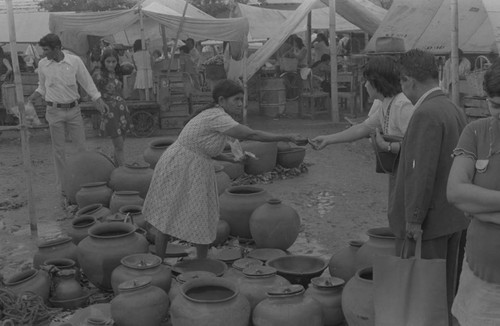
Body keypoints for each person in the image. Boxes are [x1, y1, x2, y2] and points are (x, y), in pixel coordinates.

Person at [143, 79, 305, 260]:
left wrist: (230, 158)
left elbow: (204, 148)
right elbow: (251, 134)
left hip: (192, 163)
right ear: (221, 101)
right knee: (171, 211)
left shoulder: (217, 116)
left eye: (241, 99)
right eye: (236, 99)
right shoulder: (216, 116)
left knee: (201, 214)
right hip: (181, 165)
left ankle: (201, 263)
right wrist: (287, 136)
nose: (240, 103)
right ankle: (160, 261)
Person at [389, 49, 469, 321]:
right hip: (452, 217)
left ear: (409, 80)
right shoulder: (452, 108)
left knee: (425, 295)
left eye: (402, 82)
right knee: (446, 289)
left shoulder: (426, 113)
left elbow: (421, 172)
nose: (402, 89)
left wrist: (413, 219)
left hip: (430, 222)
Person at [311, 56, 414, 204]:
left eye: (367, 81)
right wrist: (328, 139)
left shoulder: (402, 106)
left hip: (411, 175)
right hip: (399, 172)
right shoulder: (386, 103)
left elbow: (418, 145)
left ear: (376, 82)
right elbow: (363, 128)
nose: (365, 85)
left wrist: (387, 146)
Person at [448, 58, 500, 325]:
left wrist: (480, 210)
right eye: (496, 105)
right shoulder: (476, 132)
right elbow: (455, 192)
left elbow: (466, 199)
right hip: (480, 273)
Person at [27, 33, 109, 194]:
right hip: (54, 111)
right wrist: (31, 99)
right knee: (59, 152)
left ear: (57, 48)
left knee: (81, 149)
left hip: (73, 111)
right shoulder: (43, 65)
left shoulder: (74, 62)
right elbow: (42, 88)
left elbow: (87, 82)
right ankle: (64, 187)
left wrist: (98, 100)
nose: (43, 53)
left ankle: (83, 184)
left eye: (46, 49)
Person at [92, 49, 132, 166]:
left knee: (120, 145)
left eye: (113, 61)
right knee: (119, 145)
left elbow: (125, 94)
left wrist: (126, 77)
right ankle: (124, 172)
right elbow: (92, 95)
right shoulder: (98, 75)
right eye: (108, 61)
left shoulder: (118, 74)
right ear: (103, 61)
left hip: (122, 110)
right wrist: (101, 110)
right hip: (110, 113)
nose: (111, 64)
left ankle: (116, 170)